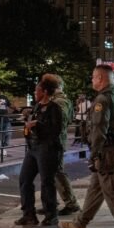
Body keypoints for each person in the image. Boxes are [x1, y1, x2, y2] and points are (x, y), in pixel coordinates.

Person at [59, 65, 114, 228]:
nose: (92, 80)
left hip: (107, 151)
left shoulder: (103, 99)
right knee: (96, 189)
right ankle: (79, 225)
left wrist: (94, 154)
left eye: (93, 77)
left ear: (100, 78)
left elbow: (99, 129)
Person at [16, 77, 63, 226]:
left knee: (46, 182)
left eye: (37, 90)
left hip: (47, 148)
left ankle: (51, 215)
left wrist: (37, 124)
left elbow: (55, 130)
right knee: (24, 179)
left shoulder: (54, 108)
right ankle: (29, 214)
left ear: (44, 92)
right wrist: (28, 125)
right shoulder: (36, 107)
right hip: (33, 148)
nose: (35, 93)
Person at [44, 74, 81, 216]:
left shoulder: (60, 101)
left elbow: (62, 121)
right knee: (52, 173)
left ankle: (71, 203)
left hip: (57, 141)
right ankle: (53, 202)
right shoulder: (58, 100)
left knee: (58, 172)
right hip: (55, 140)